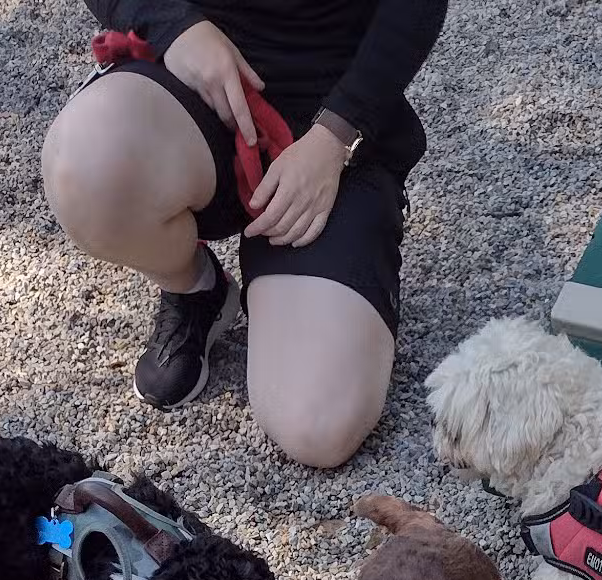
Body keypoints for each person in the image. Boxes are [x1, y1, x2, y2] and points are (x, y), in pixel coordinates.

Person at [42, 3, 448, 468]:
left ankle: (328, 273)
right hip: (200, 78)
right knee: (87, 165)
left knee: (317, 426)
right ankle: (194, 286)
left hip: (334, 115)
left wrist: (337, 136)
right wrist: (175, 28)